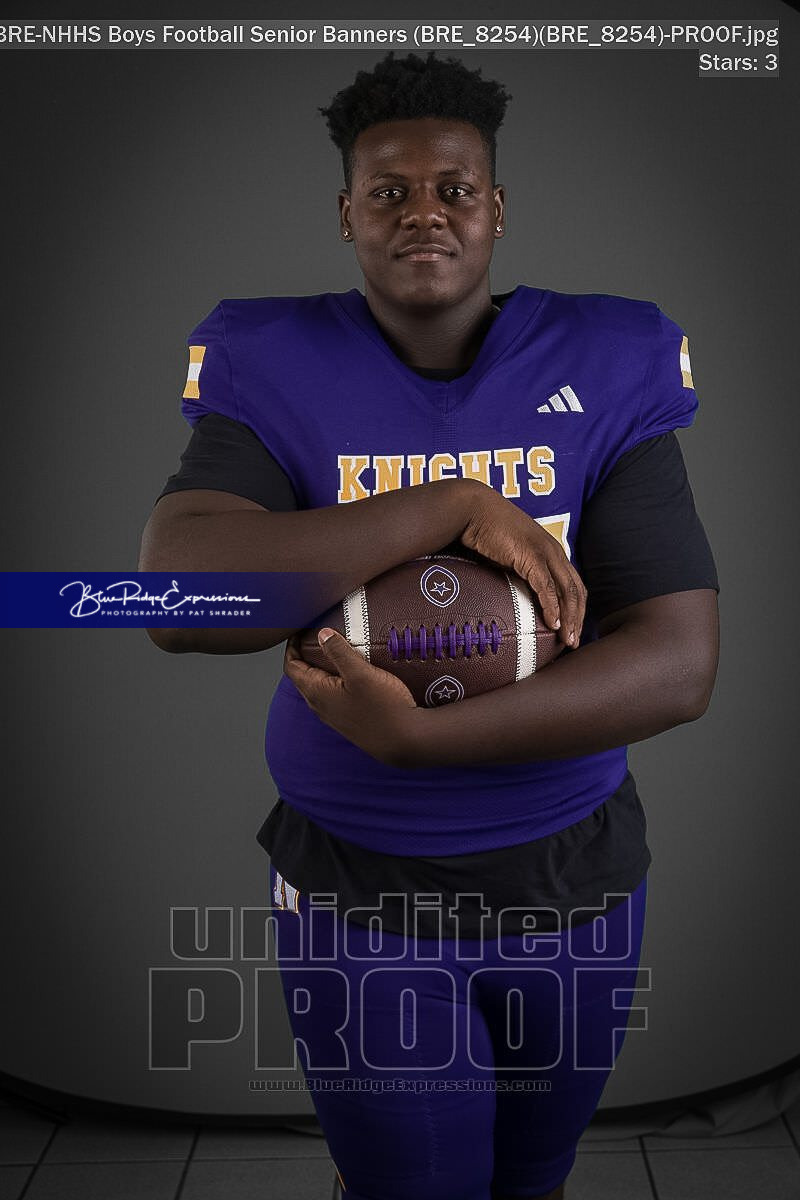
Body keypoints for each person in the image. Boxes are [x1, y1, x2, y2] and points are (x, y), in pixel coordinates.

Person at [139, 52, 719, 1200]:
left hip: (570, 868)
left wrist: (420, 739)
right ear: (344, 214)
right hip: (360, 883)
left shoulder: (602, 361)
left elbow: (676, 662)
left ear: (495, 208)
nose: (423, 213)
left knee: (532, 1178)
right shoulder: (276, 361)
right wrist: (448, 506)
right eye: (387, 191)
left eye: (453, 189)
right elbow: (177, 596)